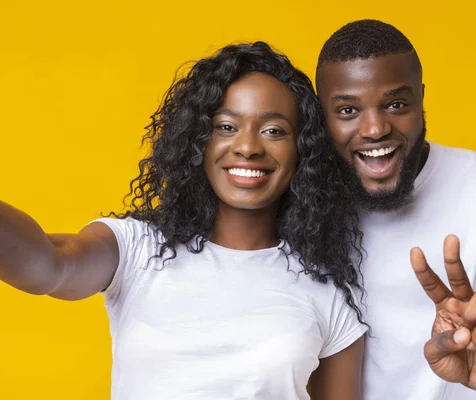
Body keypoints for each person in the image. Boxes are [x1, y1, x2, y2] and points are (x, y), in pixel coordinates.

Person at [0, 42, 367, 400]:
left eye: (274, 130)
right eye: (226, 126)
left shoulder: (326, 292)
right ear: (198, 140)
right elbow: (49, 264)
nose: (248, 146)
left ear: (302, 149)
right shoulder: (136, 248)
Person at [315, 20, 476, 400]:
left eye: (396, 104)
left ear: (421, 99)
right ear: (321, 117)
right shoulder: (302, 202)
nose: (374, 129)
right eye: (348, 110)